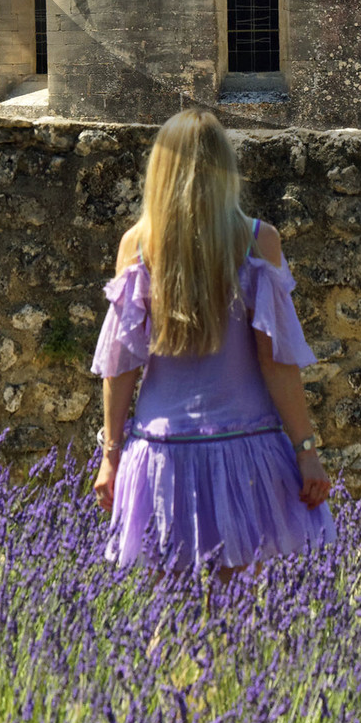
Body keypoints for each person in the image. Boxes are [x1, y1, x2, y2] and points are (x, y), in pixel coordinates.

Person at [91, 109, 334, 569]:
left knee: (168, 616)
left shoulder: (137, 246)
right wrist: (306, 451)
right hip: (245, 449)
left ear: (159, 172)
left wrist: (111, 455)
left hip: (162, 453)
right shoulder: (259, 241)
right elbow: (276, 362)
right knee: (240, 613)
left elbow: (121, 366)